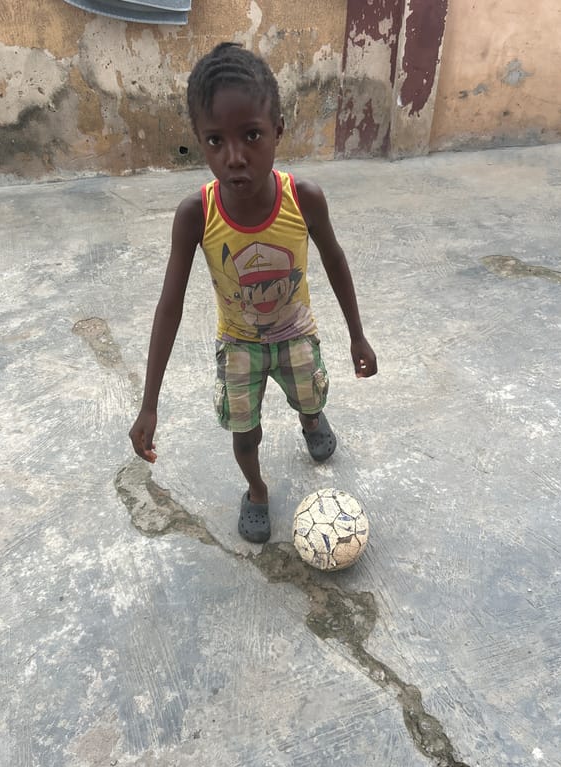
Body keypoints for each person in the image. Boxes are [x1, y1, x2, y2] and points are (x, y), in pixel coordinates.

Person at [129, 42, 377, 543]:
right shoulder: (195, 214)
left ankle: (311, 420)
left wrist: (358, 335)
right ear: (200, 142)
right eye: (215, 141)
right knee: (246, 432)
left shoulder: (303, 199)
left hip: (296, 334)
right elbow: (169, 305)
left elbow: (333, 260)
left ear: (278, 132)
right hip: (239, 344)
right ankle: (258, 490)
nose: (234, 157)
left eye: (252, 135)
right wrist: (149, 403)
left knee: (308, 395)